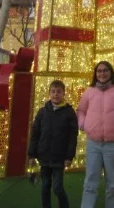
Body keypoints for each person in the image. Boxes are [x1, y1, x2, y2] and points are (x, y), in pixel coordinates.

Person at [77, 61, 114, 208]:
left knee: (113, 182)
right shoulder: (89, 91)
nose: (102, 73)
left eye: (105, 71)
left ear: (111, 72)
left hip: (113, 144)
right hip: (93, 143)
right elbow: (81, 110)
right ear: (95, 74)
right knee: (90, 179)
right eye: (99, 71)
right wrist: (82, 123)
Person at [28, 79, 79, 208]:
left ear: (64, 94)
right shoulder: (42, 112)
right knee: (45, 186)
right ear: (49, 93)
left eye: (59, 92)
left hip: (59, 157)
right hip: (44, 156)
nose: (56, 94)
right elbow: (35, 134)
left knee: (57, 188)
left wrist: (69, 156)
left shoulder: (69, 112)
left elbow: (73, 136)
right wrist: (32, 155)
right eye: (53, 91)